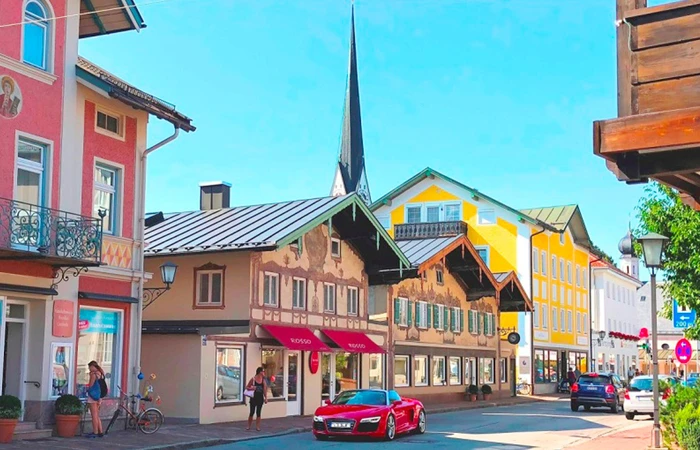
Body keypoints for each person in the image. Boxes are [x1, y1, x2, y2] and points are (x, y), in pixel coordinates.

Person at [85, 361, 105, 438]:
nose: (89, 369)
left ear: (92, 366)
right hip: (99, 396)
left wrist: (90, 377)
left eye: (89, 367)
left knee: (94, 415)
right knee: (97, 415)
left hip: (93, 396)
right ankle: (100, 431)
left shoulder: (94, 375)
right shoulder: (101, 373)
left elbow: (90, 385)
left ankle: (95, 432)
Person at [246, 367, 268, 431]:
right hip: (253, 398)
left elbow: (264, 390)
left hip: (260, 398)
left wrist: (266, 398)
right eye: (263, 371)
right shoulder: (253, 379)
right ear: (260, 372)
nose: (264, 373)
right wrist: (252, 388)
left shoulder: (263, 380)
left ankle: (257, 427)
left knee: (258, 412)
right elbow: (247, 387)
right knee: (251, 412)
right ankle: (248, 426)